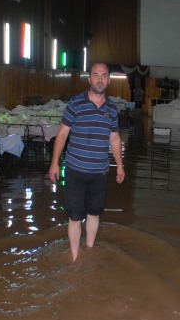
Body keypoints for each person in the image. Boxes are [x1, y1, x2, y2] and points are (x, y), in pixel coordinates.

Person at [48, 62, 125, 262]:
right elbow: (62, 134)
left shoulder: (112, 109)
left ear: (108, 80)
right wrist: (54, 163)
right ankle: (75, 258)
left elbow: (115, 138)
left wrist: (120, 165)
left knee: (94, 213)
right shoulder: (75, 103)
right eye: (96, 74)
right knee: (74, 216)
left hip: (99, 172)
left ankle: (89, 252)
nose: (100, 79)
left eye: (104, 75)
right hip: (74, 170)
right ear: (89, 78)